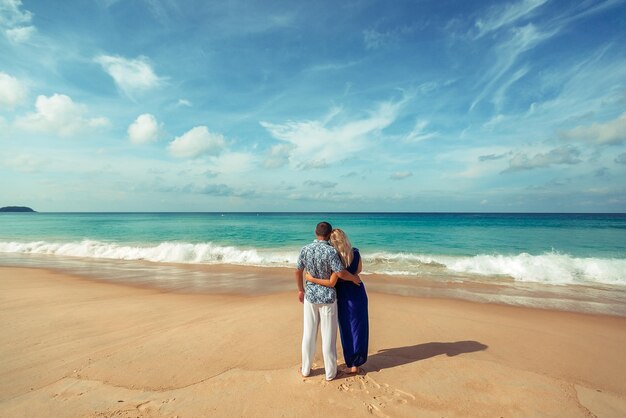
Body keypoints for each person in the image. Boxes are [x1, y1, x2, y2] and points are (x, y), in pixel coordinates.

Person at [296, 221, 361, 381]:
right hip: (328, 298)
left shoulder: (305, 249)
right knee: (328, 336)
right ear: (329, 234)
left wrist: (300, 289)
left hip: (311, 297)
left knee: (309, 333)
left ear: (315, 232)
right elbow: (340, 273)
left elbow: (298, 271)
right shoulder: (331, 251)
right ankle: (331, 373)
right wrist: (354, 278)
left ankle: (305, 370)